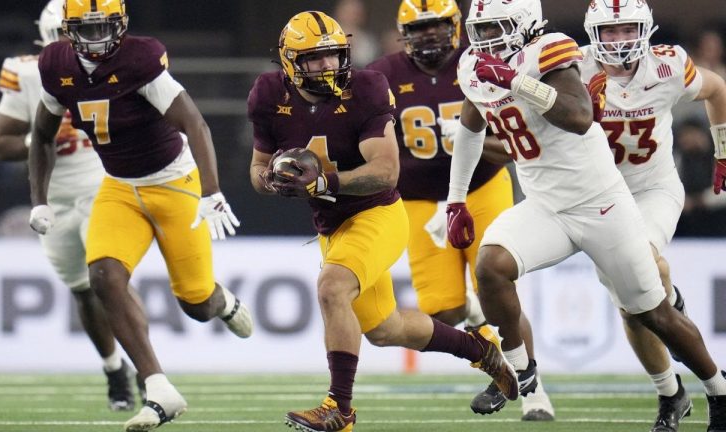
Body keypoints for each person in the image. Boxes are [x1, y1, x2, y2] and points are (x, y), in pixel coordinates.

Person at [447, 1, 726, 431]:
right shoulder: (475, 64)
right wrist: (456, 199)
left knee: (652, 311)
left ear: (523, 24)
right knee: (491, 265)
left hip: (607, 201)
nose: (486, 39)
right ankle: (520, 374)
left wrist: (515, 81)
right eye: (480, 29)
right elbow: (472, 125)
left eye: (498, 27)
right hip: (547, 205)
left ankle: (718, 391)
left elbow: (578, 117)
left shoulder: (554, 52)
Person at [248, 11, 518, 432]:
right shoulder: (268, 94)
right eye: (315, 60)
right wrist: (274, 180)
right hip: (332, 225)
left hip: (377, 212)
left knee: (332, 287)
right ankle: (479, 350)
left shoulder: (367, 87)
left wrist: (322, 180)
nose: (328, 67)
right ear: (289, 63)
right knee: (385, 329)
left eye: (334, 56)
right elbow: (258, 170)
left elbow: (385, 171)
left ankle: (340, 409)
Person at [26, 1, 252, 431]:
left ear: (121, 25)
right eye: (85, 29)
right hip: (119, 187)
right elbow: (41, 135)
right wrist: (39, 198)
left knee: (197, 304)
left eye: (103, 27)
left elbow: (195, 124)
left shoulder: (139, 59)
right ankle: (159, 388)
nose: (96, 38)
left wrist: (212, 191)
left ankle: (223, 301)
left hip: (173, 184)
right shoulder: (55, 63)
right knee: (103, 277)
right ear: (68, 31)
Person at [366, 0, 553, 421]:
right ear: (402, 33)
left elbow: (513, 149)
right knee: (444, 309)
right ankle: (484, 334)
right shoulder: (383, 75)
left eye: (436, 25)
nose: (428, 34)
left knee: (501, 292)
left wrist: (472, 139)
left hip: (480, 189)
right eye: (419, 28)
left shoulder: (481, 63)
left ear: (455, 27)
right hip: (415, 200)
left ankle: (534, 392)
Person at [0, 0, 144, 412]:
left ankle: (149, 371)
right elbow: (0, 144)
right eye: (67, 34)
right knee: (80, 288)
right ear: (48, 39)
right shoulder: (27, 72)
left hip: (101, 184)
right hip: (55, 196)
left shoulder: (120, 64)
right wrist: (39, 139)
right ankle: (114, 369)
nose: (83, 43)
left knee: (109, 275)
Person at [581, 1, 726, 429]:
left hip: (653, 189)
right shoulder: (570, 68)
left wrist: (724, 151)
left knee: (639, 264)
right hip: (599, 199)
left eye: (628, 29)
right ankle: (670, 394)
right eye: (610, 31)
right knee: (632, 308)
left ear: (645, 29)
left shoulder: (667, 66)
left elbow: (717, 89)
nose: (620, 40)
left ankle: (673, 307)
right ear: (593, 34)